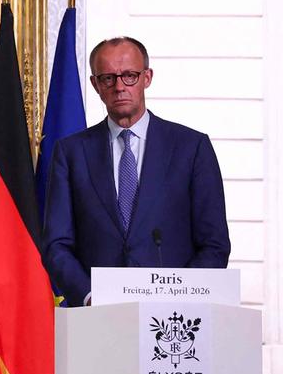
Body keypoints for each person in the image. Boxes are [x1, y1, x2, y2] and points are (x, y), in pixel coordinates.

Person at [42, 36, 230, 307]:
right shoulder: (71, 153)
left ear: (147, 78)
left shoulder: (191, 148)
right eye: (108, 78)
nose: (119, 87)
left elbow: (214, 244)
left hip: (173, 321)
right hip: (95, 318)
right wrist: (88, 295)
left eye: (129, 75)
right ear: (96, 85)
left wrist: (180, 297)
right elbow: (56, 244)